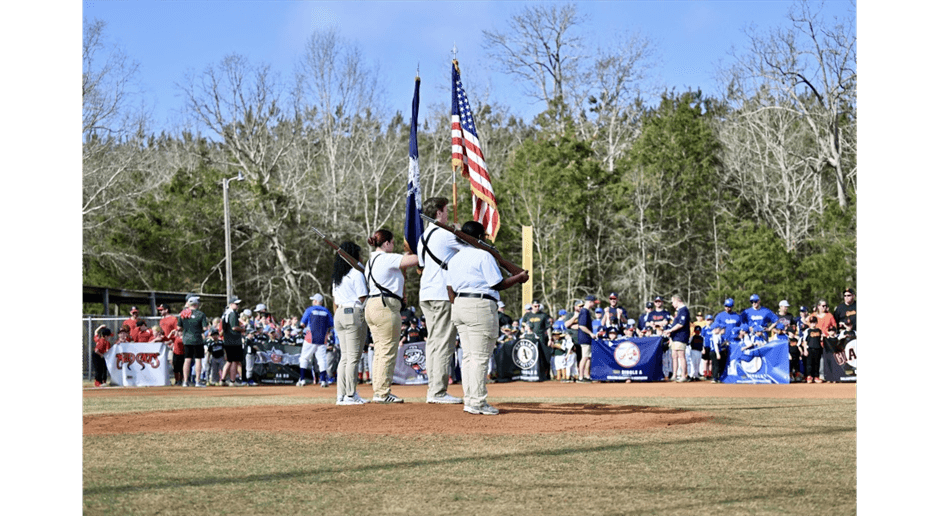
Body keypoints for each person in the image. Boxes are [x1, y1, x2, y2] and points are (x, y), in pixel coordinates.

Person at [446, 221, 529, 415]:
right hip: (479, 304)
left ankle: (471, 399)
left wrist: (458, 305)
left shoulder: (454, 258)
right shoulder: (484, 255)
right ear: (481, 237)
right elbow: (497, 284)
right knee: (480, 357)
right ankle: (477, 402)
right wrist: (518, 278)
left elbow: (449, 288)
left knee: (469, 357)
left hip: (459, 304)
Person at [416, 197, 465, 404]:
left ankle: (434, 389)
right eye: (446, 210)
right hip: (441, 293)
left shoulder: (423, 237)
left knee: (434, 343)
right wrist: (459, 231)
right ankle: (438, 391)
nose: (447, 214)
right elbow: (470, 250)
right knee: (444, 342)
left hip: (426, 293)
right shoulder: (445, 234)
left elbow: (420, 264)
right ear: (438, 213)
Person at [364, 228, 420, 404]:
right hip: (385, 305)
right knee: (387, 351)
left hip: (372, 305)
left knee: (380, 351)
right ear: (386, 243)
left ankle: (379, 389)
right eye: (393, 243)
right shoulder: (387, 258)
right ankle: (382, 392)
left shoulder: (370, 261)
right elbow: (416, 260)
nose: (394, 246)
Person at [298, 293, 334, 388]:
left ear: (315, 301)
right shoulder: (326, 311)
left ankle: (302, 379)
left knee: (304, 358)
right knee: (322, 359)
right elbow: (331, 325)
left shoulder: (310, 309)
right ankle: (323, 380)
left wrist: (300, 329)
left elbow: (302, 323)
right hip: (322, 338)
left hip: (310, 337)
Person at [177, 296, 209, 387]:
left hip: (186, 339)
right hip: (197, 339)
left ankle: (185, 381)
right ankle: (197, 381)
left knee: (187, 359)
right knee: (198, 359)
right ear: (196, 304)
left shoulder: (183, 314)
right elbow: (205, 328)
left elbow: (179, 328)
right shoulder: (200, 314)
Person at [663, 294, 691, 382]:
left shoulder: (684, 310)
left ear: (677, 300)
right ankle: (674, 375)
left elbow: (681, 324)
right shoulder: (679, 311)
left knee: (681, 356)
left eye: (672, 302)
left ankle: (683, 375)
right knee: (674, 356)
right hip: (675, 337)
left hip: (681, 336)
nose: (672, 304)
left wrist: (670, 330)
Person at [521, 300, 551, 381]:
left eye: (538, 306)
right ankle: (529, 374)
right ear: (532, 306)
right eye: (535, 306)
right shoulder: (527, 315)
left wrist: (550, 339)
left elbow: (548, 328)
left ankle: (543, 375)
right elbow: (523, 326)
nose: (537, 308)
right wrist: (523, 335)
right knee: (529, 356)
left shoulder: (543, 315)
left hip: (541, 338)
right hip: (529, 338)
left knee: (542, 356)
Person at [219, 296, 246, 386]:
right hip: (234, 340)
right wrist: (242, 329)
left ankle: (222, 380)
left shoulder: (225, 313)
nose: (237, 305)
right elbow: (234, 327)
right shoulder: (233, 313)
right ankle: (232, 381)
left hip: (227, 340)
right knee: (235, 361)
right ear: (231, 304)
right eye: (236, 304)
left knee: (229, 361)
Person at [574, 295, 599, 382]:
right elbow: (582, 326)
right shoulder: (584, 311)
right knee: (584, 357)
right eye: (593, 303)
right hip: (584, 337)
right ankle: (580, 377)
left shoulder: (586, 311)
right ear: (590, 302)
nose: (594, 305)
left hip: (587, 338)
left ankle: (586, 375)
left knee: (588, 357)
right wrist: (591, 333)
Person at [800, 316, 824, 383]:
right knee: (809, 364)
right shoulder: (808, 330)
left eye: (814, 322)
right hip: (810, 349)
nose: (813, 324)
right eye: (811, 323)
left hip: (818, 349)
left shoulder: (819, 330)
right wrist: (805, 350)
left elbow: (821, 339)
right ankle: (809, 376)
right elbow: (805, 341)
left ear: (816, 322)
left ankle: (816, 376)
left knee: (817, 364)